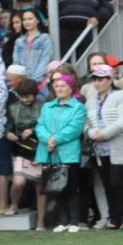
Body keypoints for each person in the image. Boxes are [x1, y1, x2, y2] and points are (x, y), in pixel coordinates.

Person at [84, 60, 123, 228]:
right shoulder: (90, 102)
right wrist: (94, 134)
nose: (98, 83)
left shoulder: (122, 95)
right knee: (107, 184)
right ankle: (114, 218)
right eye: (95, 79)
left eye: (101, 79)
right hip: (101, 150)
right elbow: (86, 125)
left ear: (110, 79)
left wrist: (105, 133)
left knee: (118, 181)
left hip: (119, 146)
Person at [37, 74, 87, 231]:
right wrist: (48, 140)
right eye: (57, 86)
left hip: (68, 153)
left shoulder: (78, 107)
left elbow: (74, 129)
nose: (59, 89)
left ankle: (74, 221)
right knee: (55, 188)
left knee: (70, 188)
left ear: (71, 88)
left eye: (63, 86)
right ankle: (63, 221)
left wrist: (55, 139)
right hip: (48, 152)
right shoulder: (47, 106)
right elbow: (40, 126)